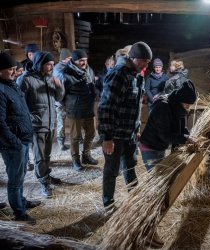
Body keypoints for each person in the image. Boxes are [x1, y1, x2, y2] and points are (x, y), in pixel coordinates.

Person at [98, 41, 152, 211]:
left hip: (129, 134)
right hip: (115, 135)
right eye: (142, 60)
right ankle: (108, 204)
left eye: (148, 62)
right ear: (132, 58)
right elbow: (107, 106)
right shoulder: (118, 74)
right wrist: (107, 137)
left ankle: (135, 200)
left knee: (130, 166)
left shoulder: (137, 76)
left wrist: (136, 129)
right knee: (112, 171)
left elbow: (135, 108)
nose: (145, 65)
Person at [0, 52, 41, 224]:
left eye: (14, 69)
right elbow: (0, 123)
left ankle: (21, 201)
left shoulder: (11, 85)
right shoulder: (1, 90)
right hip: (14, 143)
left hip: (22, 139)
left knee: (21, 175)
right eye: (10, 69)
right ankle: (19, 212)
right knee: (15, 179)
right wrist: (14, 142)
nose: (14, 72)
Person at [19, 51, 65, 198]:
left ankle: (47, 176)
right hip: (36, 125)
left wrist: (59, 86)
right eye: (48, 64)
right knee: (39, 157)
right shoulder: (26, 80)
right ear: (39, 64)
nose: (51, 67)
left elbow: (59, 98)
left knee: (47, 155)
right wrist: (28, 120)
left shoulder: (50, 78)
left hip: (50, 123)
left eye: (52, 64)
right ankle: (43, 183)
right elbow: (19, 104)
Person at [140, 80, 198, 172]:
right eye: (187, 105)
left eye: (189, 105)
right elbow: (164, 135)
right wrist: (186, 138)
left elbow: (182, 129)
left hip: (161, 147)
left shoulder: (178, 108)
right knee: (156, 179)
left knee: (162, 175)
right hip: (150, 148)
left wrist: (190, 137)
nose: (188, 108)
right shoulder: (163, 106)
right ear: (180, 100)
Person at [63, 49, 98, 171]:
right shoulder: (67, 73)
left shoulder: (88, 70)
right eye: (81, 60)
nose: (84, 62)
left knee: (91, 133)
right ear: (74, 60)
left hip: (88, 107)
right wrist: (69, 104)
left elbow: (92, 83)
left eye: (86, 60)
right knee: (75, 136)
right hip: (75, 109)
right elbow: (62, 93)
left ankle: (86, 155)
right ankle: (75, 160)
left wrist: (94, 92)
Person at [53, 48, 72, 151]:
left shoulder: (64, 67)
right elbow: (61, 87)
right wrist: (61, 99)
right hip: (61, 100)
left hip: (65, 99)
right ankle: (61, 143)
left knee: (69, 120)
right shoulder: (59, 69)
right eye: (69, 58)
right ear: (64, 58)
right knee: (61, 122)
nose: (71, 60)